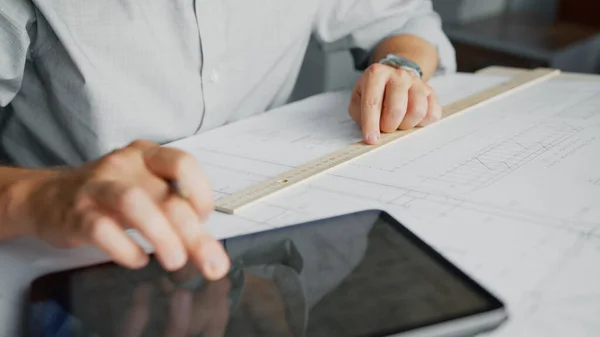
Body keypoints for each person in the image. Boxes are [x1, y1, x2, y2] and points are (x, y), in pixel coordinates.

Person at [0, 0, 456, 279]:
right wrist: (38, 197)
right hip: (67, 261)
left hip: (265, 233)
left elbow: (407, 18)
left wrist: (403, 67)